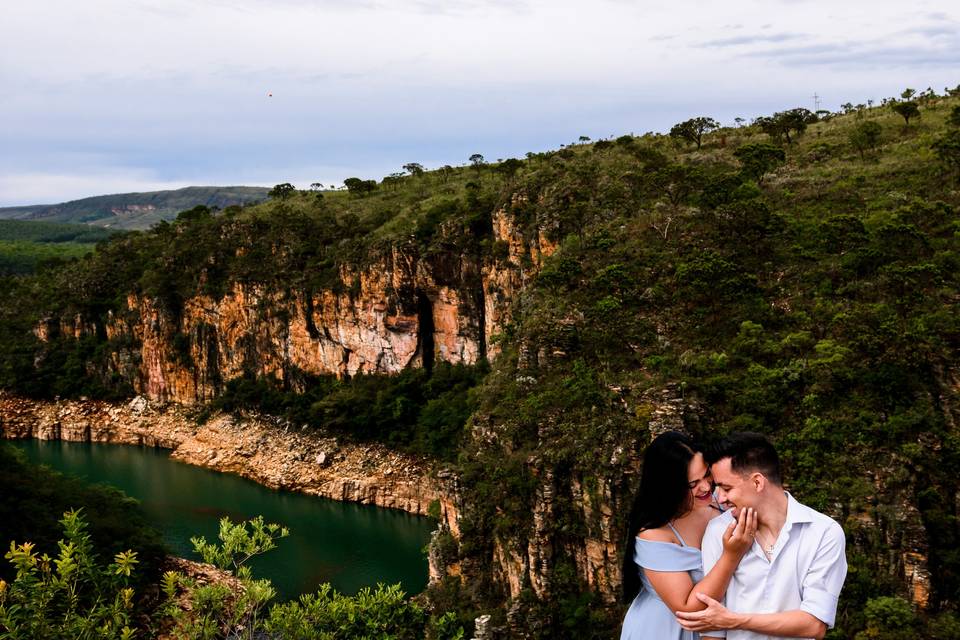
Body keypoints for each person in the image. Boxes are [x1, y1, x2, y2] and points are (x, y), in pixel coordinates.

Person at [676, 432, 848, 640]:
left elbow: (813, 624)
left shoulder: (824, 532)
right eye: (717, 487)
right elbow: (713, 629)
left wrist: (734, 620)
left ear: (758, 482)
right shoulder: (718, 530)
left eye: (726, 488)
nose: (719, 498)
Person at [621, 431, 758, 640]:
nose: (705, 487)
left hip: (723, 626)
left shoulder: (719, 501)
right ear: (668, 487)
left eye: (706, 475)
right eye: (692, 484)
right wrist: (731, 556)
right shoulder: (654, 534)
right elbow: (688, 608)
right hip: (667, 630)